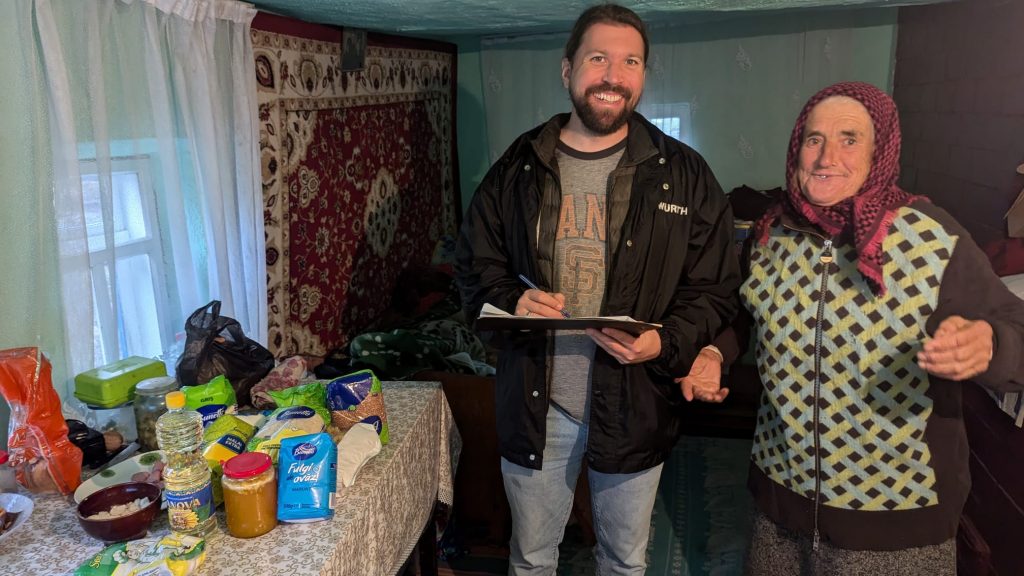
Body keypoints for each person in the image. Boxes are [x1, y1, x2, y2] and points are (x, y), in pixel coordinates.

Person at [679, 81, 1024, 575]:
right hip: (779, 504)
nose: (826, 156)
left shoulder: (932, 236)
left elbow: (1016, 328)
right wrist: (715, 353)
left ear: (879, 151)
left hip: (895, 524)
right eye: (813, 139)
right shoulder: (770, 233)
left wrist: (991, 345)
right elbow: (743, 313)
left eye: (849, 138)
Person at [454, 4, 740, 574]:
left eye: (630, 61)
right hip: (539, 401)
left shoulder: (684, 173)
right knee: (532, 558)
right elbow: (474, 265)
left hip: (635, 400)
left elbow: (714, 289)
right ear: (567, 70)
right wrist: (512, 298)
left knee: (624, 560)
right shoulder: (518, 166)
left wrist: (667, 344)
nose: (613, 74)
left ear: (642, 75)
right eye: (598, 58)